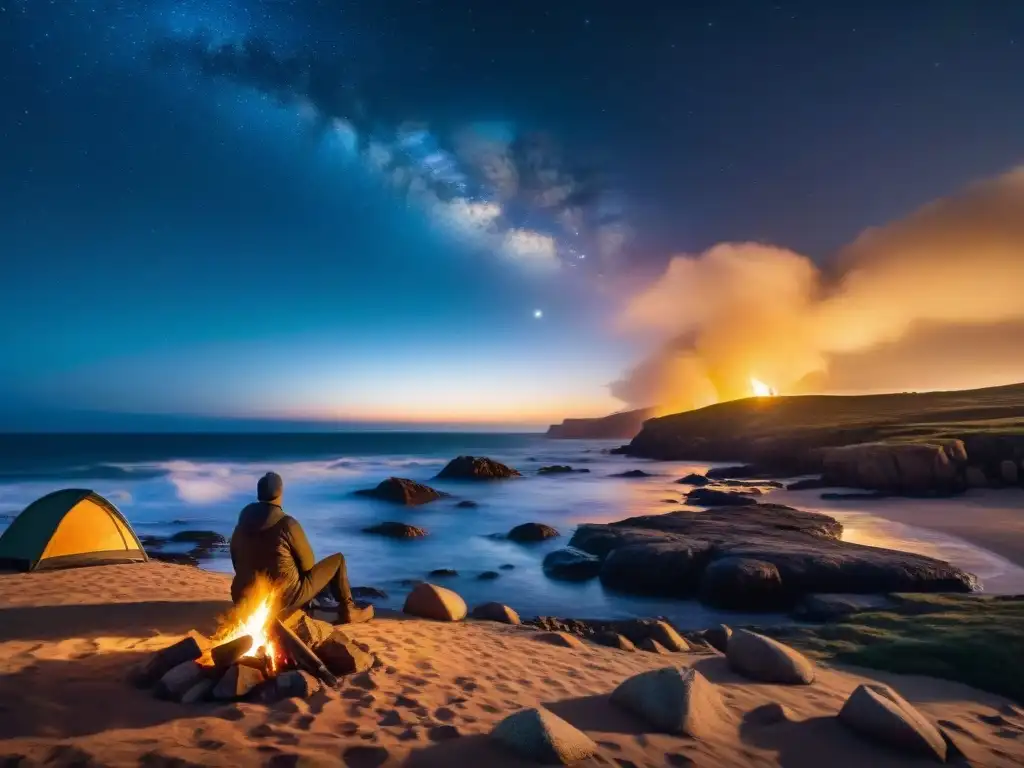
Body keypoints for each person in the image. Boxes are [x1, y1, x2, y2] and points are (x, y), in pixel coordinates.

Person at [230, 471, 373, 624]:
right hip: (280, 602)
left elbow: (235, 560)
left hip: (243, 599)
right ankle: (349, 610)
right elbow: (308, 565)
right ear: (280, 492)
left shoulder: (242, 522)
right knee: (338, 560)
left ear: (259, 494)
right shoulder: (287, 524)